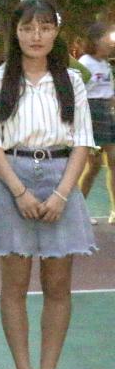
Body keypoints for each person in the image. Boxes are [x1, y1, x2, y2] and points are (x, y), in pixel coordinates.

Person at [0, 0, 95, 369]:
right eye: (27, 27)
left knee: (58, 285)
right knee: (14, 285)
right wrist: (20, 192)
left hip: (62, 178)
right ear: (15, 32)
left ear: (56, 31)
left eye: (45, 27)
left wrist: (63, 193)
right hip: (14, 178)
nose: (36, 35)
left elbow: (82, 141)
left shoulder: (71, 81)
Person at [77, 22, 114, 224]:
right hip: (91, 114)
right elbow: (77, 93)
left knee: (113, 161)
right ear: (95, 41)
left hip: (106, 114)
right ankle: (78, 212)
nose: (110, 43)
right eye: (106, 38)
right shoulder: (85, 63)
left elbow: (109, 92)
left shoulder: (105, 64)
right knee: (94, 166)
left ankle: (114, 210)